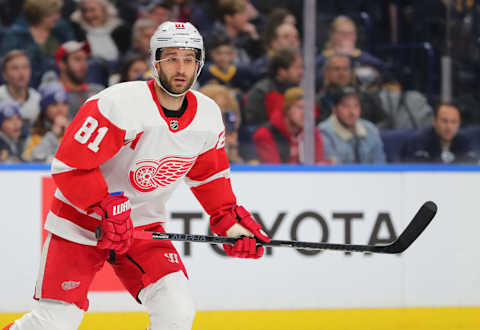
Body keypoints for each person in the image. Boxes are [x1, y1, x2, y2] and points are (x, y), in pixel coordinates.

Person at [3, 21, 270, 330]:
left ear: (200, 63)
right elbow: (70, 166)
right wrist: (102, 205)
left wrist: (230, 224)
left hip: (143, 230)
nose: (180, 67)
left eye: (189, 58)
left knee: (177, 311)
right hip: (79, 225)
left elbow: (209, 178)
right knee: (53, 325)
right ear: (155, 61)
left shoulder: (207, 116)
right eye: (171, 58)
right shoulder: (117, 104)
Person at [0, 0, 74, 87]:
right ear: (41, 15)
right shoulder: (15, 35)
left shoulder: (61, 33)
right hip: (26, 86)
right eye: (53, 13)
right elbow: (7, 64)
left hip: (59, 85)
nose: (58, 17)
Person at [253, 87, 327, 164]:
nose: (305, 113)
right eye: (300, 107)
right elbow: (274, 172)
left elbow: (319, 164)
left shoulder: (313, 133)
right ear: (287, 109)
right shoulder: (265, 134)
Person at [318, 86, 386, 164]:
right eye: (346, 106)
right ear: (334, 109)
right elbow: (333, 169)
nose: (352, 112)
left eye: (356, 106)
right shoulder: (324, 132)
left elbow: (380, 164)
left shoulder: (370, 129)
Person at [198, 83, 257, 164]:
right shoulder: (192, 134)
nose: (221, 114)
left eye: (226, 109)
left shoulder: (242, 133)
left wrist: (233, 150)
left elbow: (253, 165)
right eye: (217, 109)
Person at [243, 47, 303, 125]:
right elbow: (254, 125)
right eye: (296, 67)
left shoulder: (300, 91)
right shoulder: (261, 92)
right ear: (281, 71)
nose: (301, 72)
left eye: (302, 67)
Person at [401, 103, 477, 163]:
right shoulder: (418, 142)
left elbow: (471, 166)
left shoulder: (463, 141)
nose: (449, 127)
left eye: (454, 122)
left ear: (459, 124)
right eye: (444, 121)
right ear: (434, 122)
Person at [54, 40, 104, 119]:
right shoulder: (53, 96)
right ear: (62, 64)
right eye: (77, 59)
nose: (84, 65)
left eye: (85, 59)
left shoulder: (99, 91)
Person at [23, 82, 70, 163]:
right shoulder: (34, 134)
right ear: (45, 109)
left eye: (64, 104)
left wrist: (71, 135)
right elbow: (29, 160)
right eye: (54, 104)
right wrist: (53, 135)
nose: (60, 109)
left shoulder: (78, 130)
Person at [0, 50, 41, 127]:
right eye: (15, 68)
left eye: (25, 67)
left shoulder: (37, 99)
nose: (21, 73)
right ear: (4, 74)